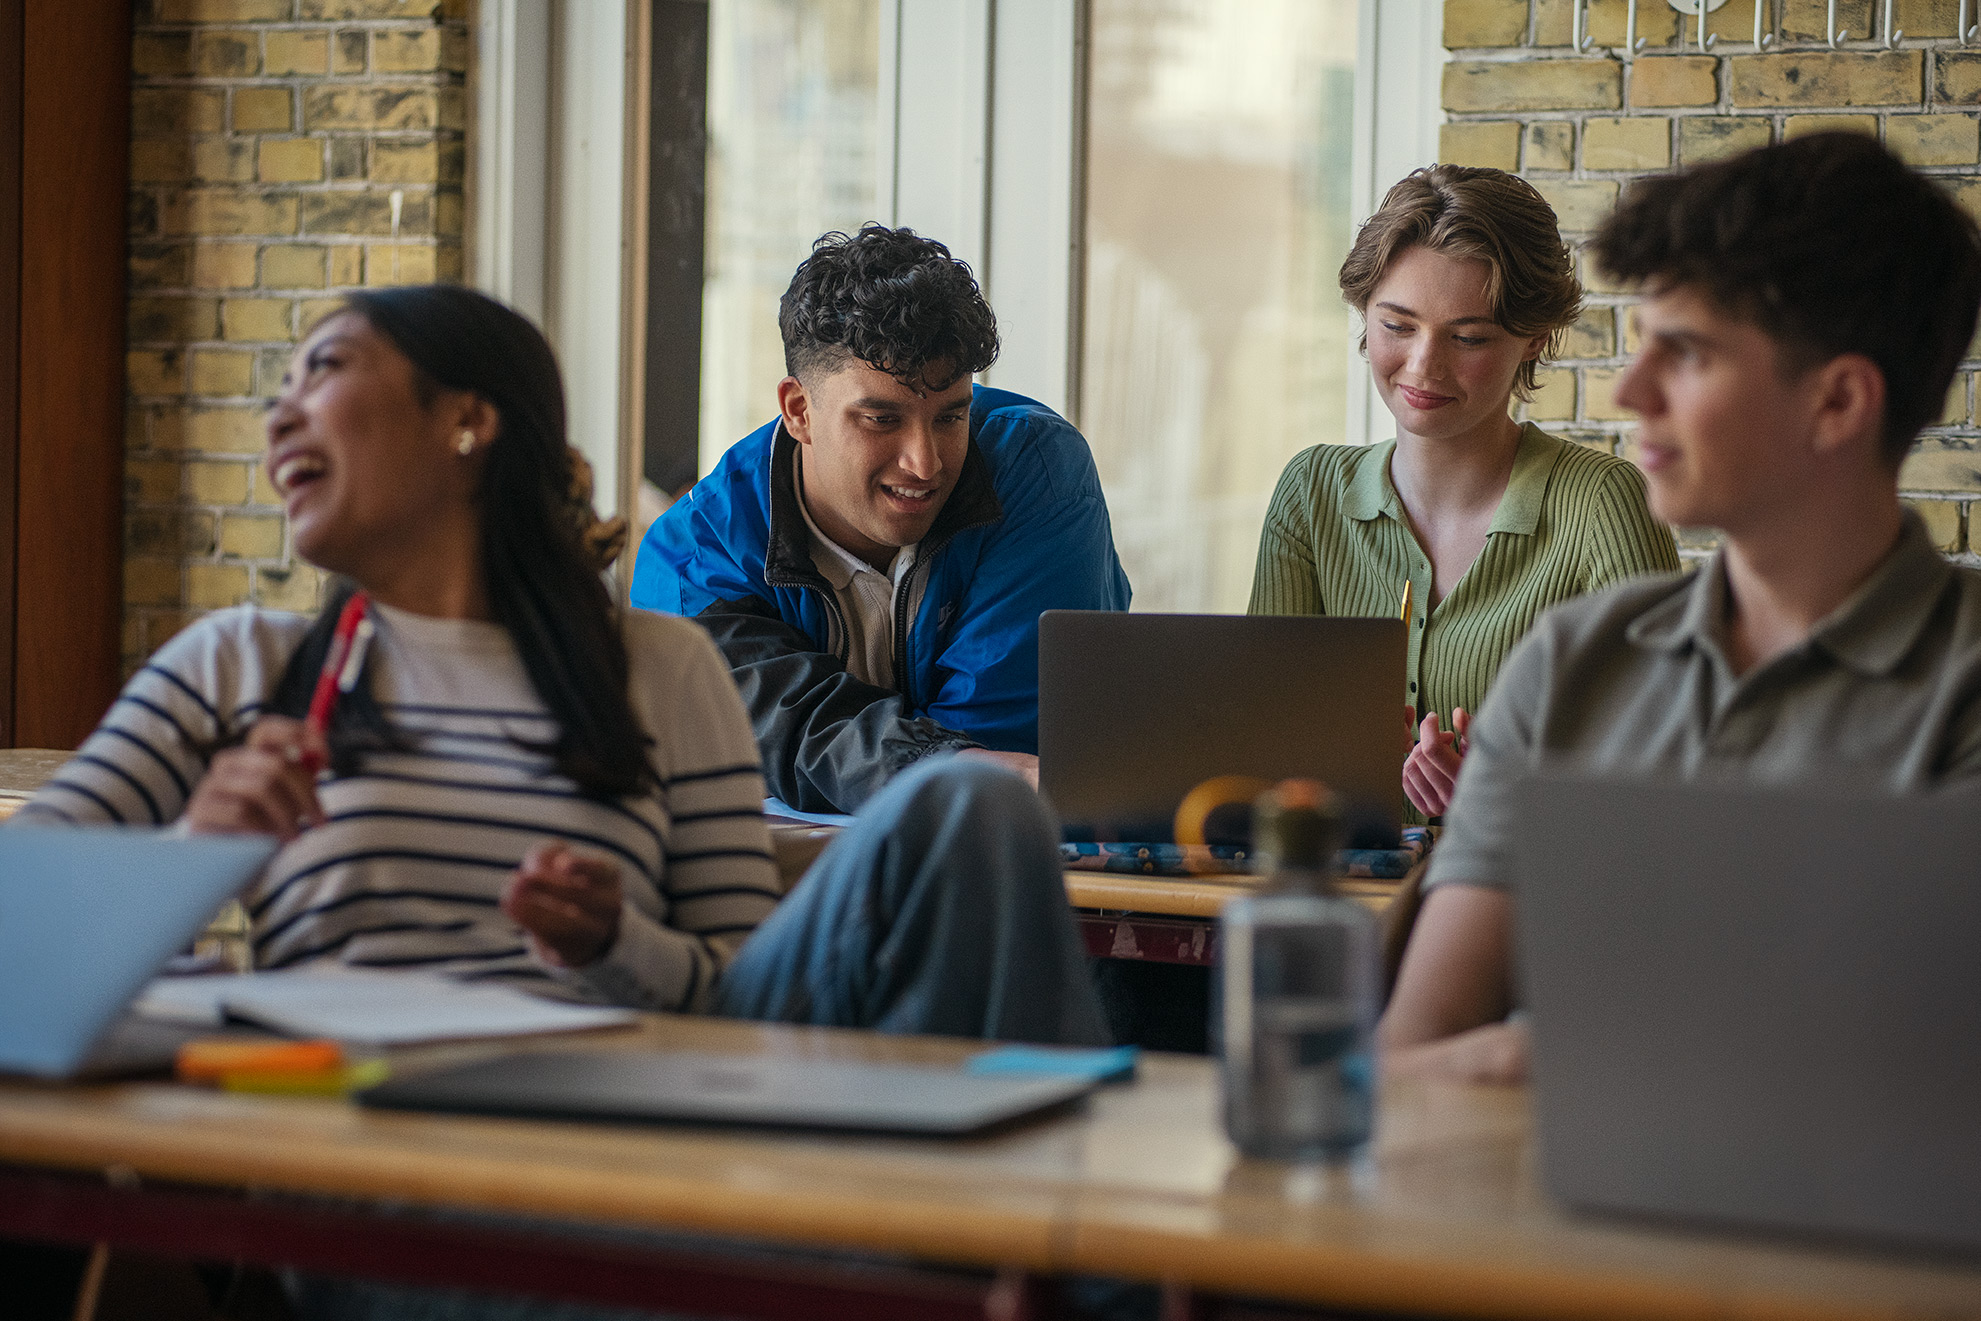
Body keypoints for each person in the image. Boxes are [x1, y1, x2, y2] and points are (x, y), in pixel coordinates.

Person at [15, 284, 1107, 1048]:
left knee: (971, 803)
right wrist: (190, 862)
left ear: (465, 425)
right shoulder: (238, 664)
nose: (278, 410)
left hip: (635, 1141)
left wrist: (610, 945)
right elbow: (19, 954)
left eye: (325, 370)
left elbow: (732, 995)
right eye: (281, 384)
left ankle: (1048, 1242)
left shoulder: (662, 671)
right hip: (373, 1159)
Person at [1379, 133, 1981, 1084]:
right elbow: (1407, 1058)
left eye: (1687, 353)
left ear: (1836, 404)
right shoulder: (1569, 663)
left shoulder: (1964, 684)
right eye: (1638, 344)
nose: (1629, 392)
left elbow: (1910, 1083)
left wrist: (1528, 1047)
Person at [632, 225, 1130, 815]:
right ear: (799, 411)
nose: (925, 463)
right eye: (880, 419)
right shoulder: (693, 563)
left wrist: (933, 769)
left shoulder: (1036, 472)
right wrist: (946, 766)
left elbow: (1004, 752)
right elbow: (790, 738)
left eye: (950, 418)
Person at [1248, 165, 1678, 820]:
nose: (1423, 366)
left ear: (1533, 337)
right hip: (1341, 900)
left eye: (1468, 337)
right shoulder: (1309, 493)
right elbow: (1258, 745)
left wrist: (1508, 803)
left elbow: (1663, 772)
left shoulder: (1601, 504)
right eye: (1396, 326)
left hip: (1527, 907)